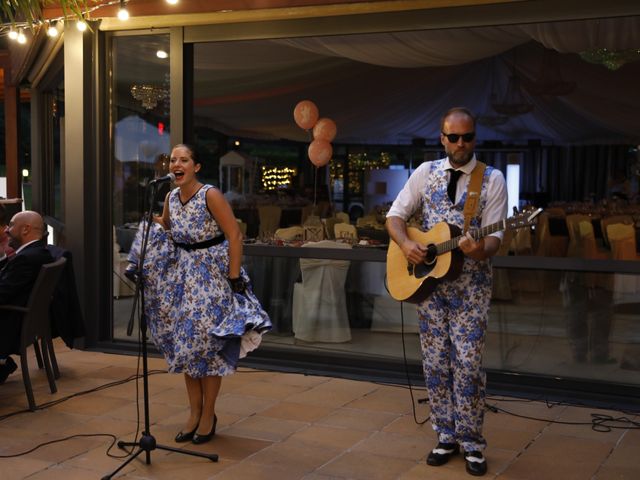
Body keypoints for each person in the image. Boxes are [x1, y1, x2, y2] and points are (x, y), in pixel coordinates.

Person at [386, 107, 507, 476]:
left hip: (471, 289)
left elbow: (495, 239)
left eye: (466, 137)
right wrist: (407, 245)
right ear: (442, 138)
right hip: (431, 287)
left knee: (468, 365)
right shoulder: (426, 173)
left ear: (475, 138)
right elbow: (394, 216)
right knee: (436, 364)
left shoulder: (492, 179)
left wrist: (478, 249)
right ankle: (445, 435)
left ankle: (472, 443)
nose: (459, 143)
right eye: (452, 137)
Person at [126, 144, 271, 445]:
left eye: (183, 160)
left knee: (207, 348)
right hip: (181, 277)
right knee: (187, 348)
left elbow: (235, 234)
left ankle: (208, 415)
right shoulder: (169, 196)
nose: (176, 164)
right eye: (172, 160)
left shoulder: (210, 195)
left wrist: (233, 277)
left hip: (211, 278)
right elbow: (168, 225)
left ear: (196, 166)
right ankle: (193, 412)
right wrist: (147, 220)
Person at [0, 211, 54, 383]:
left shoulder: (26, 259)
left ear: (25, 230)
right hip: (24, 322)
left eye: (11, 225)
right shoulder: (40, 253)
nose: (6, 229)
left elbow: (2, 295)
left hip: (9, 325)